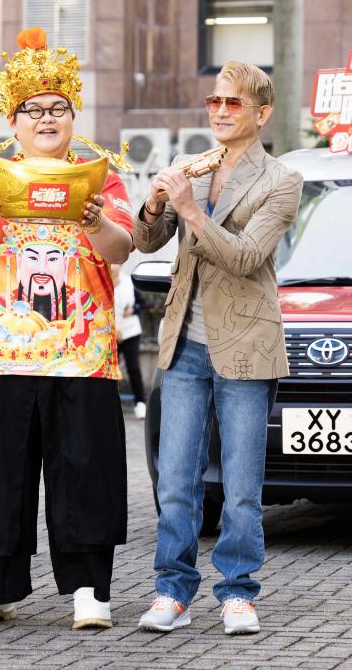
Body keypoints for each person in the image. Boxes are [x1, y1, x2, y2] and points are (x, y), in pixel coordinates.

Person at [0, 28, 134, 631]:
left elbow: (121, 247)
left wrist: (97, 219)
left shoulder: (100, 175)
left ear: (73, 116)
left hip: (82, 351)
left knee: (85, 467)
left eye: (58, 108)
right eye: (34, 110)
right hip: (0, 350)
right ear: (14, 118)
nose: (46, 118)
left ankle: (88, 590)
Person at [133, 61, 303, 636]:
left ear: (261, 114)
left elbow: (245, 257)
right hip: (183, 344)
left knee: (240, 486)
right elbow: (145, 241)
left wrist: (186, 207)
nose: (221, 111)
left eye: (234, 103)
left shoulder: (281, 179)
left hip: (246, 345)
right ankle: (171, 591)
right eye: (215, 101)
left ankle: (237, 592)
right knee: (176, 480)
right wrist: (158, 201)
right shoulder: (193, 170)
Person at [111, 264, 146, 418]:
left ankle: (140, 402)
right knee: (111, 371)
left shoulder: (129, 282)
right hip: (110, 334)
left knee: (133, 369)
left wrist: (132, 310)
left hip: (130, 332)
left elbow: (142, 304)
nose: (113, 266)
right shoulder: (102, 282)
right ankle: (111, 404)